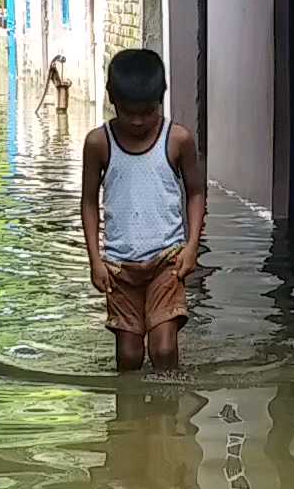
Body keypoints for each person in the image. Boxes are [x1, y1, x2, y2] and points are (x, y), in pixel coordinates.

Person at [81, 49, 207, 372]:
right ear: (112, 99)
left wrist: (192, 247)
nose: (137, 121)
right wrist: (95, 259)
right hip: (119, 266)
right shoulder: (99, 143)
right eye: (128, 112)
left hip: (168, 259)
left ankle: (169, 416)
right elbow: (89, 202)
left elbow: (195, 192)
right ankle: (131, 420)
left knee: (164, 350)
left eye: (147, 112)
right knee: (129, 356)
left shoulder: (178, 139)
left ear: (161, 100)